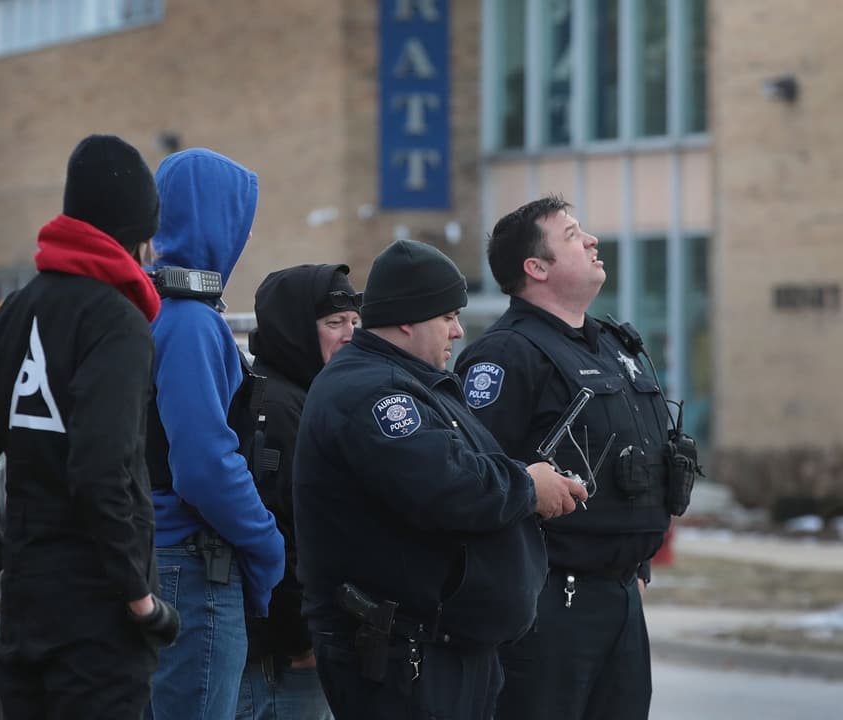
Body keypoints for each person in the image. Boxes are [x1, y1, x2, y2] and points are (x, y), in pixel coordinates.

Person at [292, 240, 585, 720]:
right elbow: (446, 486)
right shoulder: (371, 391)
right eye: (448, 316)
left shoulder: (412, 381)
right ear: (408, 319)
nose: (458, 330)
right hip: (404, 657)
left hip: (442, 649)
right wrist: (529, 487)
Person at [0, 134, 180, 719]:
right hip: (98, 624)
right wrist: (139, 597)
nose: (152, 256)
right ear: (135, 236)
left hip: (25, 612)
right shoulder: (118, 322)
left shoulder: (14, 311)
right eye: (149, 239)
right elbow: (101, 469)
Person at [455, 196, 701, 720]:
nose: (591, 241)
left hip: (620, 595)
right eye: (571, 235)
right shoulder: (505, 355)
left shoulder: (614, 346)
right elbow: (476, 478)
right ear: (536, 268)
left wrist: (634, 564)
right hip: (547, 601)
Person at [145, 148, 287, 719]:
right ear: (215, 221)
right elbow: (204, 465)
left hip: (155, 558)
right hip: (192, 565)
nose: (244, 234)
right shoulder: (190, 321)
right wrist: (267, 543)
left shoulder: (150, 308)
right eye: (239, 218)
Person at [237, 263, 360, 720]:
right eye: (334, 322)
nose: (350, 334)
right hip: (284, 662)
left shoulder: (311, 397)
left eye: (355, 321)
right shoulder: (278, 408)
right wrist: (299, 638)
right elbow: (278, 527)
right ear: (294, 331)